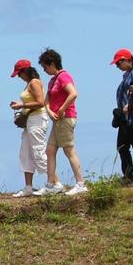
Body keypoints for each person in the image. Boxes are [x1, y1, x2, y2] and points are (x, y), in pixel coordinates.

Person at [35, 48, 86, 196]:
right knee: (50, 150)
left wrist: (62, 109)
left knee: (68, 150)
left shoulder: (64, 76)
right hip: (57, 120)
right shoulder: (52, 80)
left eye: (45, 67)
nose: (44, 70)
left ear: (52, 64)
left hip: (66, 118)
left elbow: (73, 93)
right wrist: (50, 111)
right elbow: (46, 101)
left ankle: (80, 183)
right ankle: (51, 185)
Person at [8, 59, 48, 196]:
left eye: (19, 74)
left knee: (38, 151)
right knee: (25, 153)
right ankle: (28, 187)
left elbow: (40, 102)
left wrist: (22, 106)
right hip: (30, 121)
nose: (19, 77)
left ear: (25, 71)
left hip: (37, 119)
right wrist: (20, 103)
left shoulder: (34, 82)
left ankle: (53, 183)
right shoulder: (28, 84)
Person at [112, 48, 133, 184]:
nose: (118, 66)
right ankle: (128, 176)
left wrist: (127, 107)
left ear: (127, 60)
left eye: (119, 63)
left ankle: (129, 176)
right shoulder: (126, 75)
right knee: (122, 146)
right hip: (125, 117)